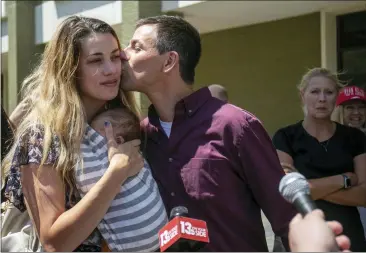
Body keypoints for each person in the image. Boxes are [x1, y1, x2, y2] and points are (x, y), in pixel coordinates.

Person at [120, 15, 296, 251]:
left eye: (136, 47)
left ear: (169, 61)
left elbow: (288, 220)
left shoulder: (235, 126)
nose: (123, 53)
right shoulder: (140, 137)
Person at [2, 16, 147, 252]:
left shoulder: (121, 123)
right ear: (70, 68)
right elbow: (54, 243)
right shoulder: (43, 136)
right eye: (95, 61)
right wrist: (116, 173)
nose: (111, 70)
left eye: (114, 57)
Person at [273, 68, 366, 251]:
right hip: (300, 235)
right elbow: (287, 194)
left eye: (329, 92)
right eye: (315, 92)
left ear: (336, 97)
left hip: (348, 235)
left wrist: (306, 189)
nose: (322, 98)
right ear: (303, 95)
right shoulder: (285, 137)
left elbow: (364, 195)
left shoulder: (355, 138)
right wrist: (343, 180)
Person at [85, 107, 168, 251]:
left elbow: (87, 181)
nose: (90, 140)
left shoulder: (137, 158)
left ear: (118, 139)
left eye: (94, 136)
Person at [332, 85, 366, 239]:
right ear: (339, 110)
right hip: (338, 209)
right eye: (350, 108)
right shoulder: (329, 140)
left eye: (361, 107)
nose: (357, 113)